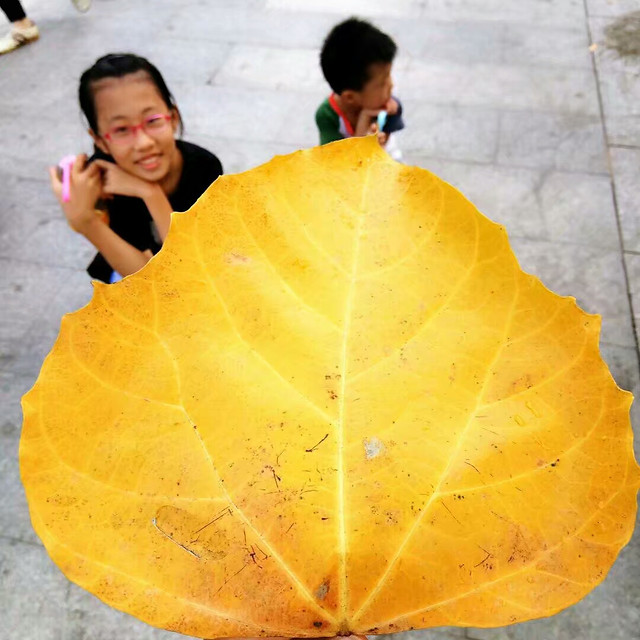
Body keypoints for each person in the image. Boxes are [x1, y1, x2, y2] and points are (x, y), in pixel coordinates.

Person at [49, 53, 223, 283]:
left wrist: (150, 193)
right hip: (136, 273)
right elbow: (145, 281)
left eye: (152, 121)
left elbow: (189, 270)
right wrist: (88, 223)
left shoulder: (204, 166)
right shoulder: (102, 183)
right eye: (121, 129)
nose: (144, 143)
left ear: (173, 118)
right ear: (100, 140)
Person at [315, 17, 404, 153]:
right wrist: (363, 124)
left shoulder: (386, 105)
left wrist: (388, 121)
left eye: (389, 76)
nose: (391, 85)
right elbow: (338, 164)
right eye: (382, 84)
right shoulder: (327, 116)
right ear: (350, 97)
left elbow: (386, 138)